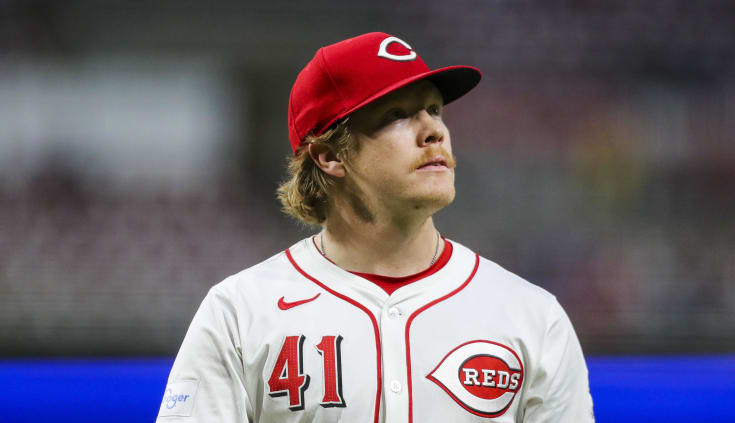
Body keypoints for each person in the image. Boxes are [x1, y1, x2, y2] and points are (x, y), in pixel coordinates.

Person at [156, 32, 594, 423]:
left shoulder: (532, 317)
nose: (434, 131)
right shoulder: (240, 313)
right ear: (329, 156)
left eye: (435, 109)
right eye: (398, 114)